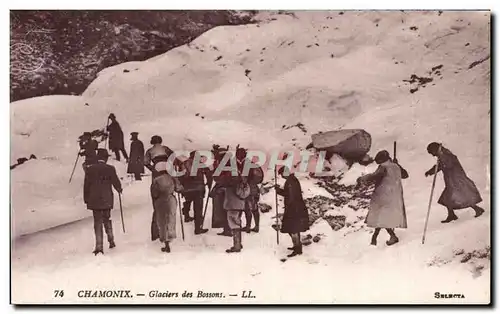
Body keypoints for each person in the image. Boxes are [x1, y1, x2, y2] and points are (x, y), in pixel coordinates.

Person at [357, 150, 408, 246]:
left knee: (380, 216)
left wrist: (362, 179)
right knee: (382, 216)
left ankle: (387, 237)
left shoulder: (384, 167)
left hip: (383, 195)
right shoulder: (395, 166)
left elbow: (374, 176)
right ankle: (375, 238)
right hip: (395, 195)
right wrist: (398, 165)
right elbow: (405, 175)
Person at [425, 142, 485, 223]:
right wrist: (430, 171)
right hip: (451, 181)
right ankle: (451, 215)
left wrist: (441, 161)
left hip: (457, 180)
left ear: (435, 150)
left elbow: (448, 164)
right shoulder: (442, 154)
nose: (433, 155)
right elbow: (440, 166)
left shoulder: (446, 154)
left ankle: (478, 209)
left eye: (432, 153)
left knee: (461, 197)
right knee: (448, 197)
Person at [83, 149, 122, 255]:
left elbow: (86, 185)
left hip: (94, 199)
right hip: (107, 198)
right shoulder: (110, 168)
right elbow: (116, 182)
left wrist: (86, 199)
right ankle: (111, 240)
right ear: (106, 158)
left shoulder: (90, 169)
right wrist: (119, 189)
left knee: (97, 222)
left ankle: (99, 246)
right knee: (107, 219)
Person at [144, 135, 175, 241]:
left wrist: (153, 168)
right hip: (168, 176)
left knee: (157, 205)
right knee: (169, 203)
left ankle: (155, 233)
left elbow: (145, 162)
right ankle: (169, 232)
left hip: (156, 177)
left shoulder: (149, 151)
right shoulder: (166, 149)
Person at [274, 166, 309, 258]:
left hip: (293, 209)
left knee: (293, 229)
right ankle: (297, 246)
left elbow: (290, 196)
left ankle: (297, 249)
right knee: (293, 229)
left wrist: (279, 191)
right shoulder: (292, 180)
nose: (282, 176)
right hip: (295, 208)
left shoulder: (290, 181)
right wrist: (279, 191)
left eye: (282, 174)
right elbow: (288, 193)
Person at [151, 166, 183, 252]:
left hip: (160, 201)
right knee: (170, 220)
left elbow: (154, 193)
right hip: (171, 200)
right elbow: (179, 188)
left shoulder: (156, 180)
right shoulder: (173, 178)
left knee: (162, 222)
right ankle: (170, 238)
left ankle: (165, 242)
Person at [179, 151, 212, 234]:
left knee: (188, 201)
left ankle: (186, 216)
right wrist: (209, 184)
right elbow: (209, 175)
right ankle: (198, 228)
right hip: (198, 189)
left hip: (187, 189)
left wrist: (181, 187)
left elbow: (180, 176)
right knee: (198, 209)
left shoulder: (184, 164)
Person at [235, 147, 264, 233]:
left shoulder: (244, 164)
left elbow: (245, 178)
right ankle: (254, 226)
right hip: (253, 189)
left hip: (248, 189)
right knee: (252, 208)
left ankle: (250, 226)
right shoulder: (250, 163)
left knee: (249, 208)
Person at [210, 146, 232, 237]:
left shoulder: (225, 163)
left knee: (224, 209)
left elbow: (220, 176)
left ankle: (228, 229)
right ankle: (226, 229)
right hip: (224, 188)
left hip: (224, 188)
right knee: (224, 209)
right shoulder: (227, 162)